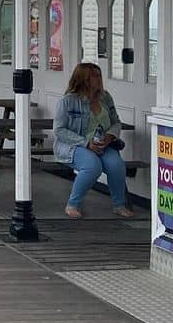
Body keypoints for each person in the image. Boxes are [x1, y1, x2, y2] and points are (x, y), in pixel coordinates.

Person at [53, 61, 132, 219]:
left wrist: (110, 137)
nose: (98, 79)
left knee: (117, 165)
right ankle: (73, 204)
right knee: (92, 166)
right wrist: (86, 143)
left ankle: (119, 205)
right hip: (75, 144)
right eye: (94, 76)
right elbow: (59, 130)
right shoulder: (68, 101)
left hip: (103, 143)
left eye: (99, 75)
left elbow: (116, 121)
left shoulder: (105, 97)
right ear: (84, 79)